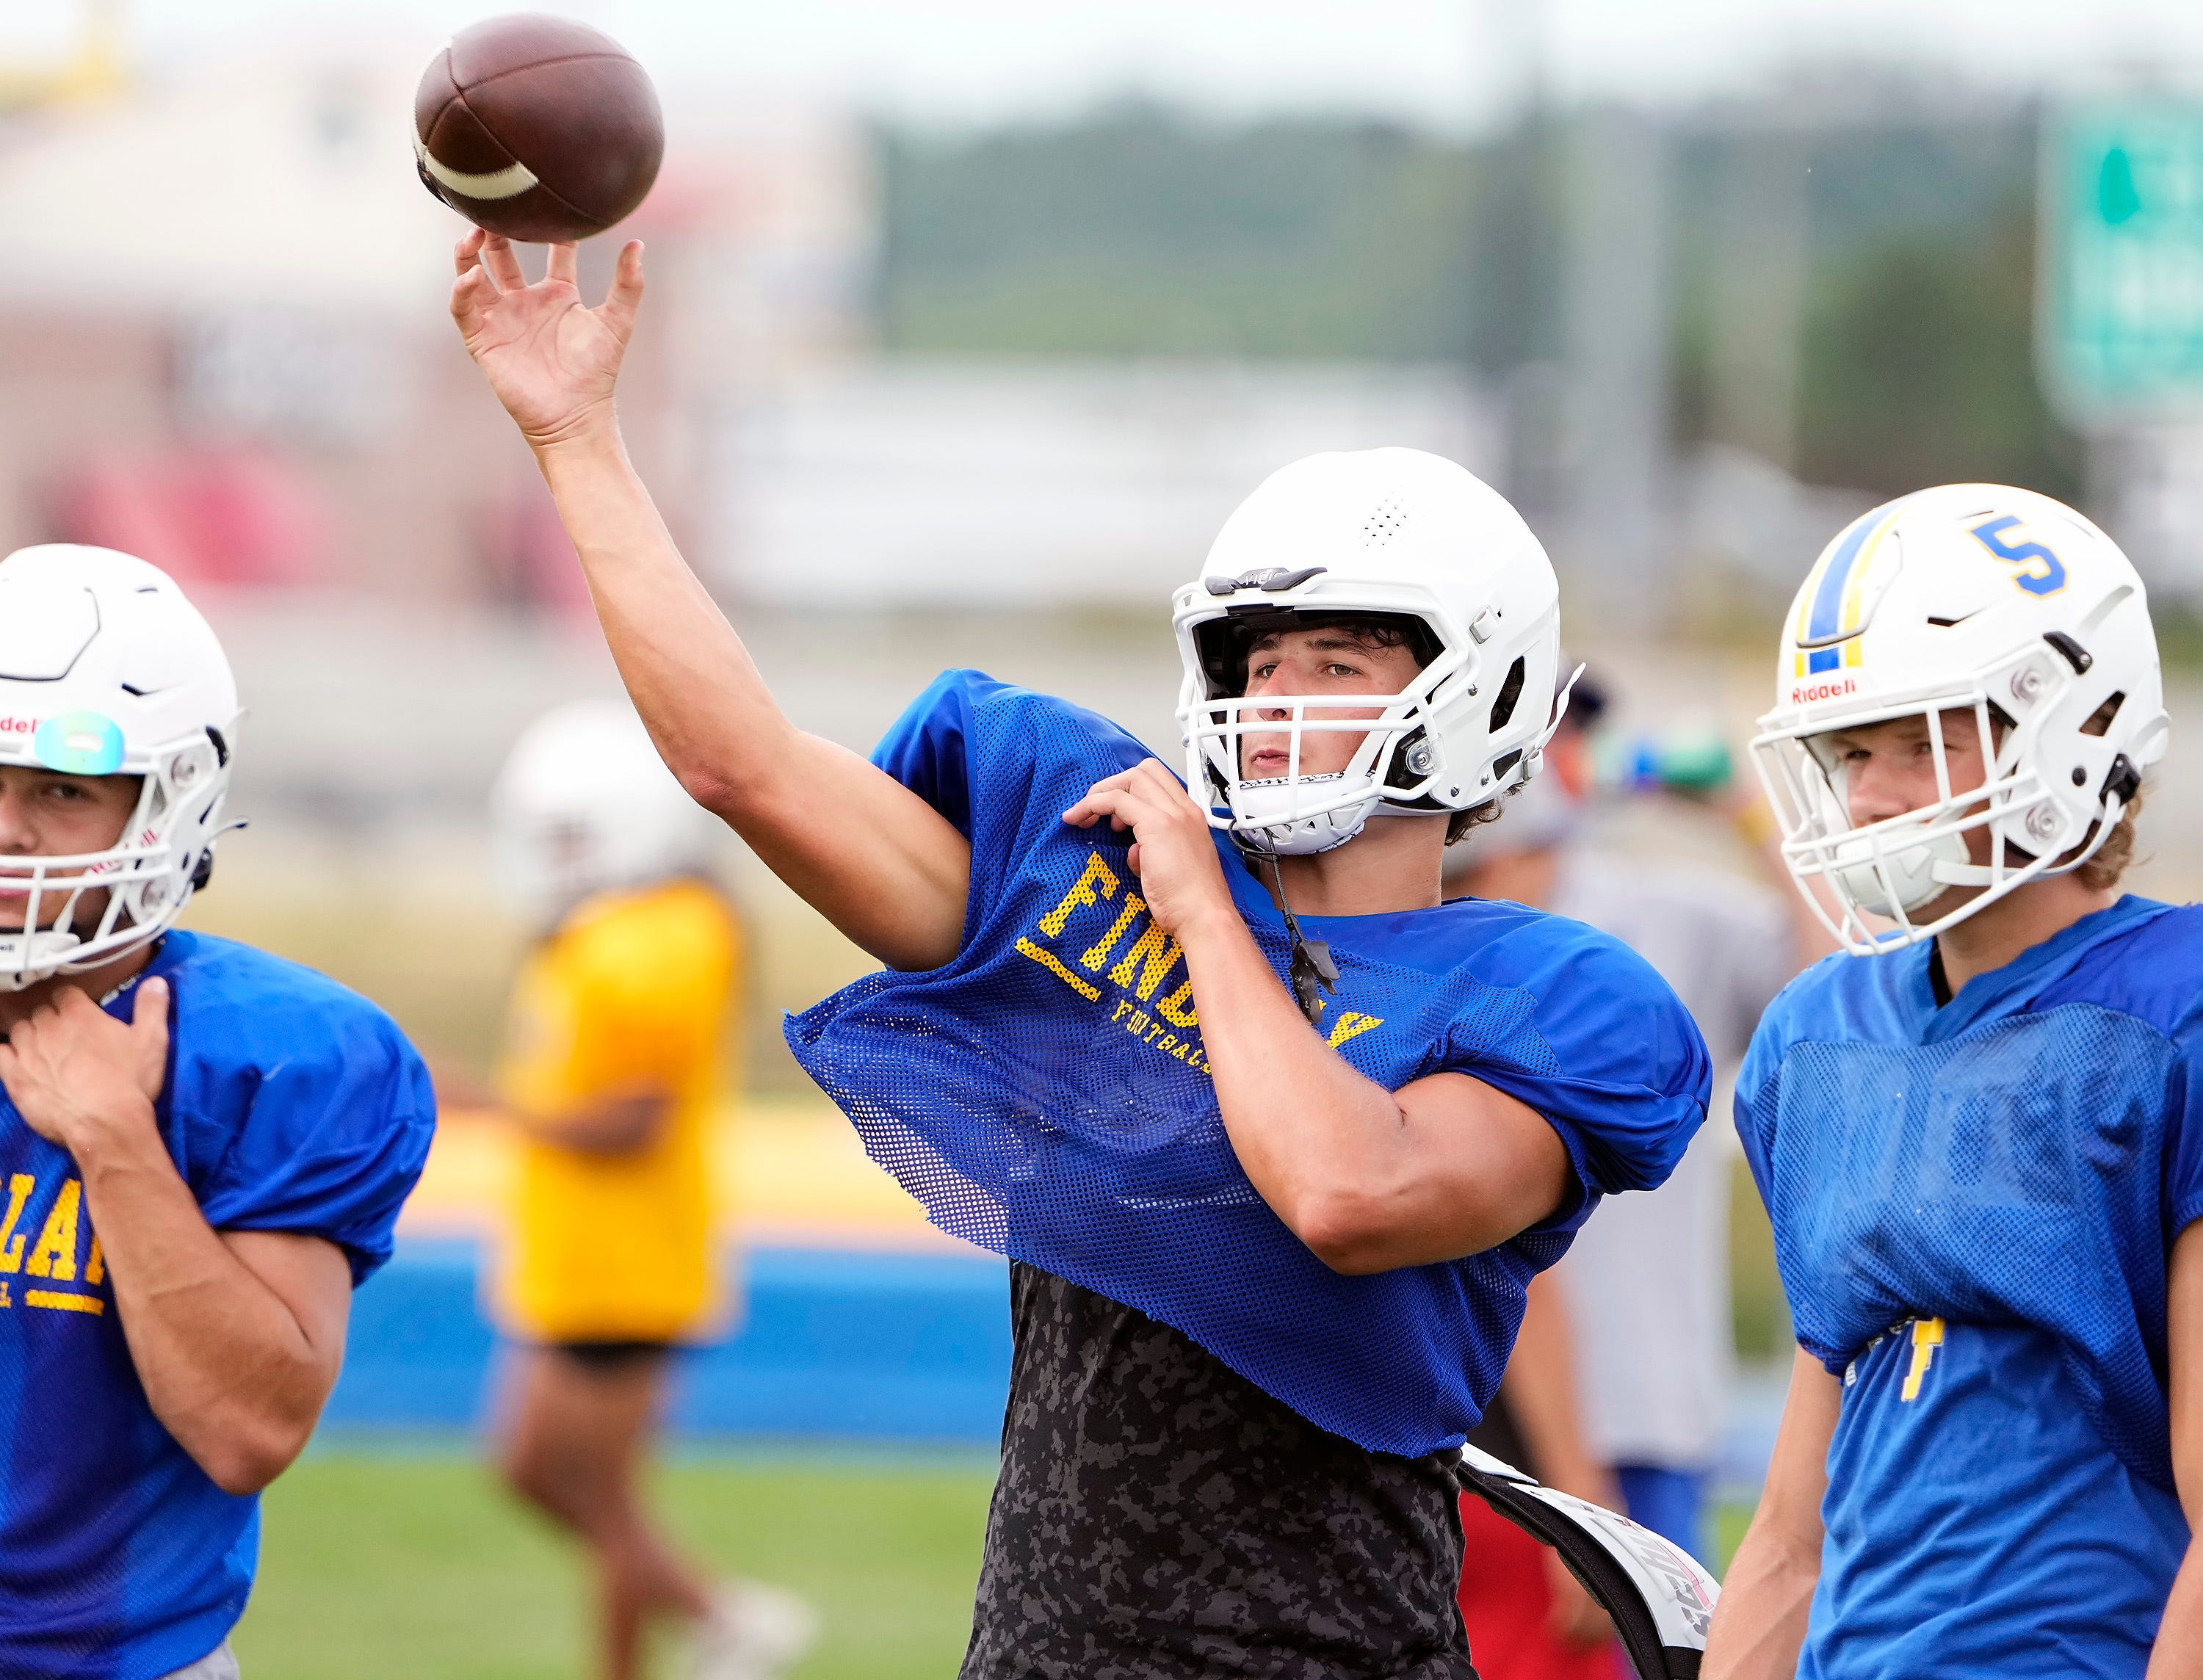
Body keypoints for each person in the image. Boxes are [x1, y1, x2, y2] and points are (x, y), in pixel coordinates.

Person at [447, 228, 1711, 1679]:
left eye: (1340, 664)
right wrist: (576, 436)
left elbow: (1348, 1189)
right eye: (1260, 660)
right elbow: (749, 771)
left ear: (1473, 687)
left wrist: (1200, 916)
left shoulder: (1543, 995)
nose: (1280, 701)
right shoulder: (1103, 889)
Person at [1703, 484, 2199, 1677]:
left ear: (2072, 722)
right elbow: (1790, 1534)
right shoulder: (1819, 1037)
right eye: (1852, 751)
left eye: (1921, 744)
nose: (1869, 797)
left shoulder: (2171, 1011)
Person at [0, 543, 435, 1679]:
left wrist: (114, 1141)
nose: (7, 833)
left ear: (165, 804)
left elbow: (248, 1430)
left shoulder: (276, 1059)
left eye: (59, 790)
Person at [1448, 674, 1830, 1677]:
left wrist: (1750, 814)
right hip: (1492, 1433)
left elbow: (1843, 1009)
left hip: (1647, 1408)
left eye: (1579, 734)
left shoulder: (1654, 913)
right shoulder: (1434, 936)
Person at [479, 698, 814, 1680]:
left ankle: (702, 1632)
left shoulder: (665, 935)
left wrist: (486, 1106)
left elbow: (634, 1119)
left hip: (630, 1257)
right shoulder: (609, 930)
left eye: (572, 834)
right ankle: (721, 1620)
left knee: (598, 1490)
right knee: (546, 1476)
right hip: (578, 1249)